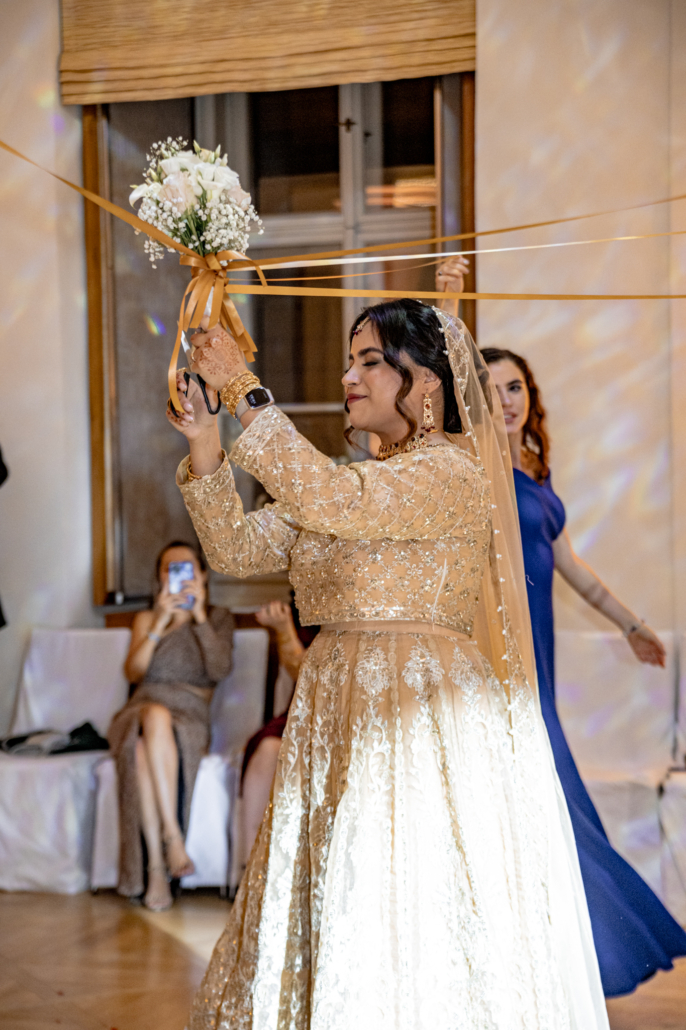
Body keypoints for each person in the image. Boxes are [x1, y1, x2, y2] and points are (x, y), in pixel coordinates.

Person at [167, 299, 610, 1029]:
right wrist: (206, 442)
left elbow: (331, 497)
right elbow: (237, 551)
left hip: (416, 716)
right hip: (333, 710)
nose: (348, 377)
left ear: (427, 381)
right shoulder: (352, 483)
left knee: (398, 896)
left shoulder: (453, 473)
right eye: (350, 361)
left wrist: (245, 389)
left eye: (370, 361)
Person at [108, 541, 234, 910]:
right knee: (153, 715)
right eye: (169, 568)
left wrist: (198, 617)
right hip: (141, 708)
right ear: (160, 577)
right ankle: (173, 839)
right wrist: (160, 622)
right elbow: (134, 673)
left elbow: (219, 670)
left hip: (189, 714)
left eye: (187, 568)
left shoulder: (218, 617)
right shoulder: (147, 619)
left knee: (143, 748)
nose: (177, 575)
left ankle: (156, 870)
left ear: (203, 575)